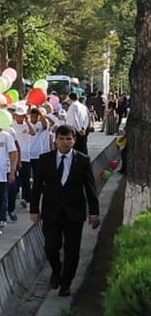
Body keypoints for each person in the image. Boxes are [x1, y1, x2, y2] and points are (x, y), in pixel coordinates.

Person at [29, 125, 100, 297]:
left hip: (74, 213)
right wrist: (34, 209)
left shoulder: (82, 160)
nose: (65, 142)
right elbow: (37, 186)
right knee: (51, 247)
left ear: (74, 140)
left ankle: (66, 283)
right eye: (61, 138)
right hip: (51, 211)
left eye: (69, 138)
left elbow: (90, 188)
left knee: (72, 250)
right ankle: (56, 270)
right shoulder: (45, 159)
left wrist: (94, 213)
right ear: (55, 140)